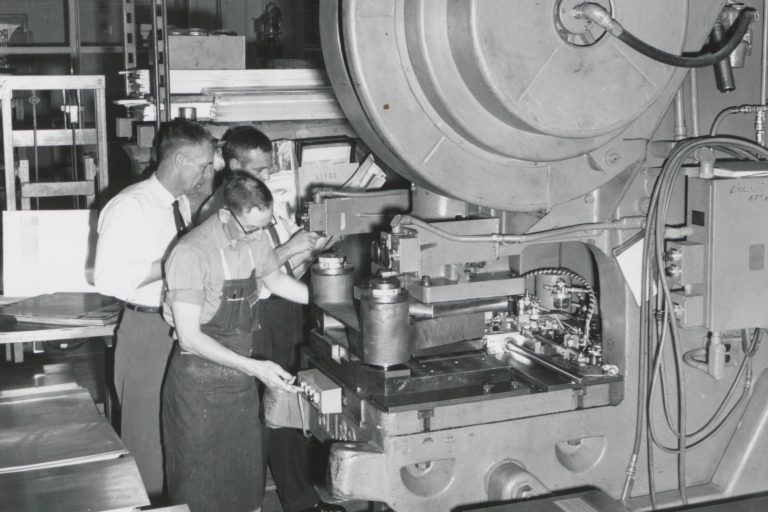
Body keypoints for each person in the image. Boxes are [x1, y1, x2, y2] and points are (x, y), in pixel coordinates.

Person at [199, 126, 343, 512]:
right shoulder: (219, 213)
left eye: (267, 169)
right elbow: (252, 274)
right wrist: (290, 248)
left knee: (289, 400)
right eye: (258, 170)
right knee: (268, 407)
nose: (265, 177)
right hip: (254, 315)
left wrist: (309, 250)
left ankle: (300, 498)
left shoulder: (266, 200)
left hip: (285, 306)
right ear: (232, 165)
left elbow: (277, 270)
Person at [162, 172, 308, 512]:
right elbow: (190, 338)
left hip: (238, 391)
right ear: (225, 214)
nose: (259, 235)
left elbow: (277, 281)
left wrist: (333, 299)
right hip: (198, 390)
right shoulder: (191, 253)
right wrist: (255, 367)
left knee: (245, 492)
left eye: (265, 225)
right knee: (198, 495)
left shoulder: (255, 241)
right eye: (252, 228)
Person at [94, 119, 215, 500]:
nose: (209, 173)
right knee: (146, 440)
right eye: (205, 165)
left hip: (176, 328)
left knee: (175, 434)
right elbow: (107, 279)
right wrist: (169, 263)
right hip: (146, 333)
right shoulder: (130, 205)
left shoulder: (178, 204)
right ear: (180, 159)